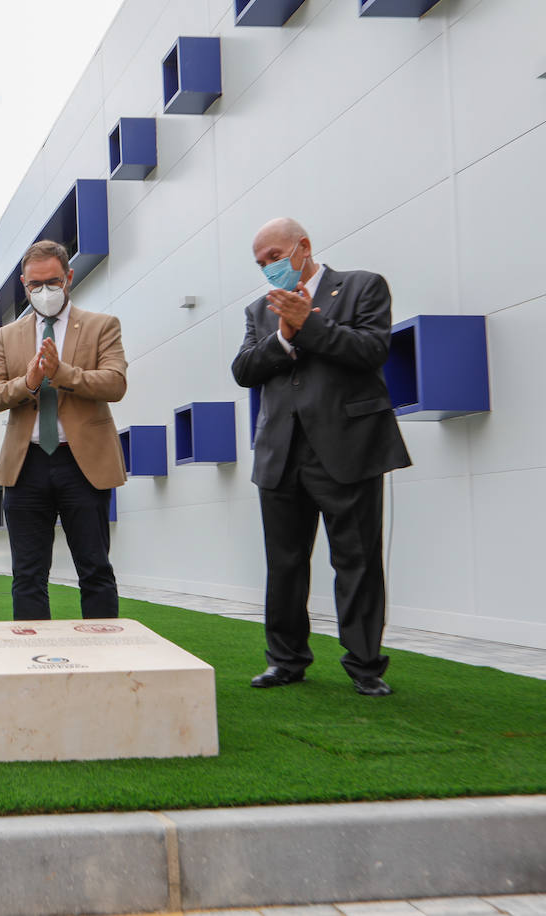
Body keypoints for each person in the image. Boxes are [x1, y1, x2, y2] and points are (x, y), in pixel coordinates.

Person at [231, 217, 411, 698]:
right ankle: (286, 661)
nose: (269, 268)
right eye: (261, 263)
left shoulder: (361, 287)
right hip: (280, 453)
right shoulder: (259, 310)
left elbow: (371, 350)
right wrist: (285, 337)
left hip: (348, 448)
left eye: (275, 256)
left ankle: (366, 665)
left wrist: (308, 323)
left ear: (303, 247)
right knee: (284, 564)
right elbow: (244, 369)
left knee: (357, 560)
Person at [0, 240, 128, 620]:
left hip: (84, 465)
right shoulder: (8, 335)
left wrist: (63, 374)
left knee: (94, 569)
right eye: (35, 285)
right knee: (27, 574)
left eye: (52, 282)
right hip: (25, 466)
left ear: (69, 277)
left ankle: (104, 661)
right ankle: (35, 662)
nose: (44, 291)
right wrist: (27, 383)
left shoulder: (101, 326)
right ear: (24, 286)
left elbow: (115, 383)